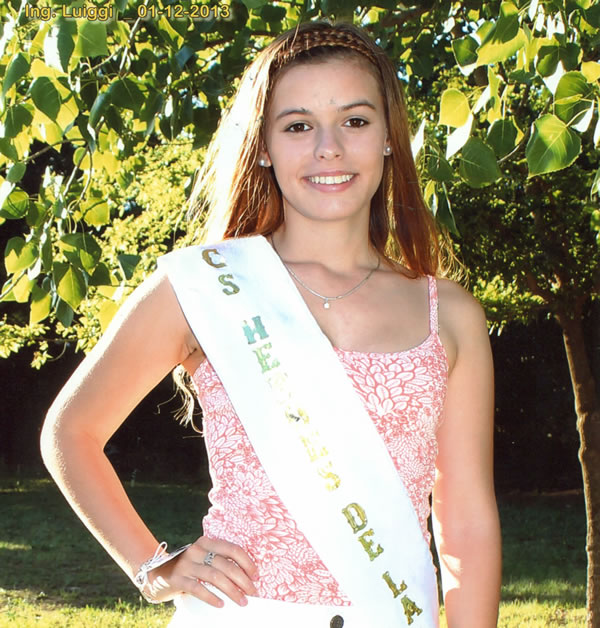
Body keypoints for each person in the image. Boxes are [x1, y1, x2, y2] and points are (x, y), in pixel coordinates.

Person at [41, 20, 501, 628]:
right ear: (263, 144)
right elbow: (70, 432)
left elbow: (465, 515)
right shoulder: (204, 287)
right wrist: (153, 567)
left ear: (390, 138)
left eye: (356, 121)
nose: (328, 148)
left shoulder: (451, 314)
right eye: (298, 125)